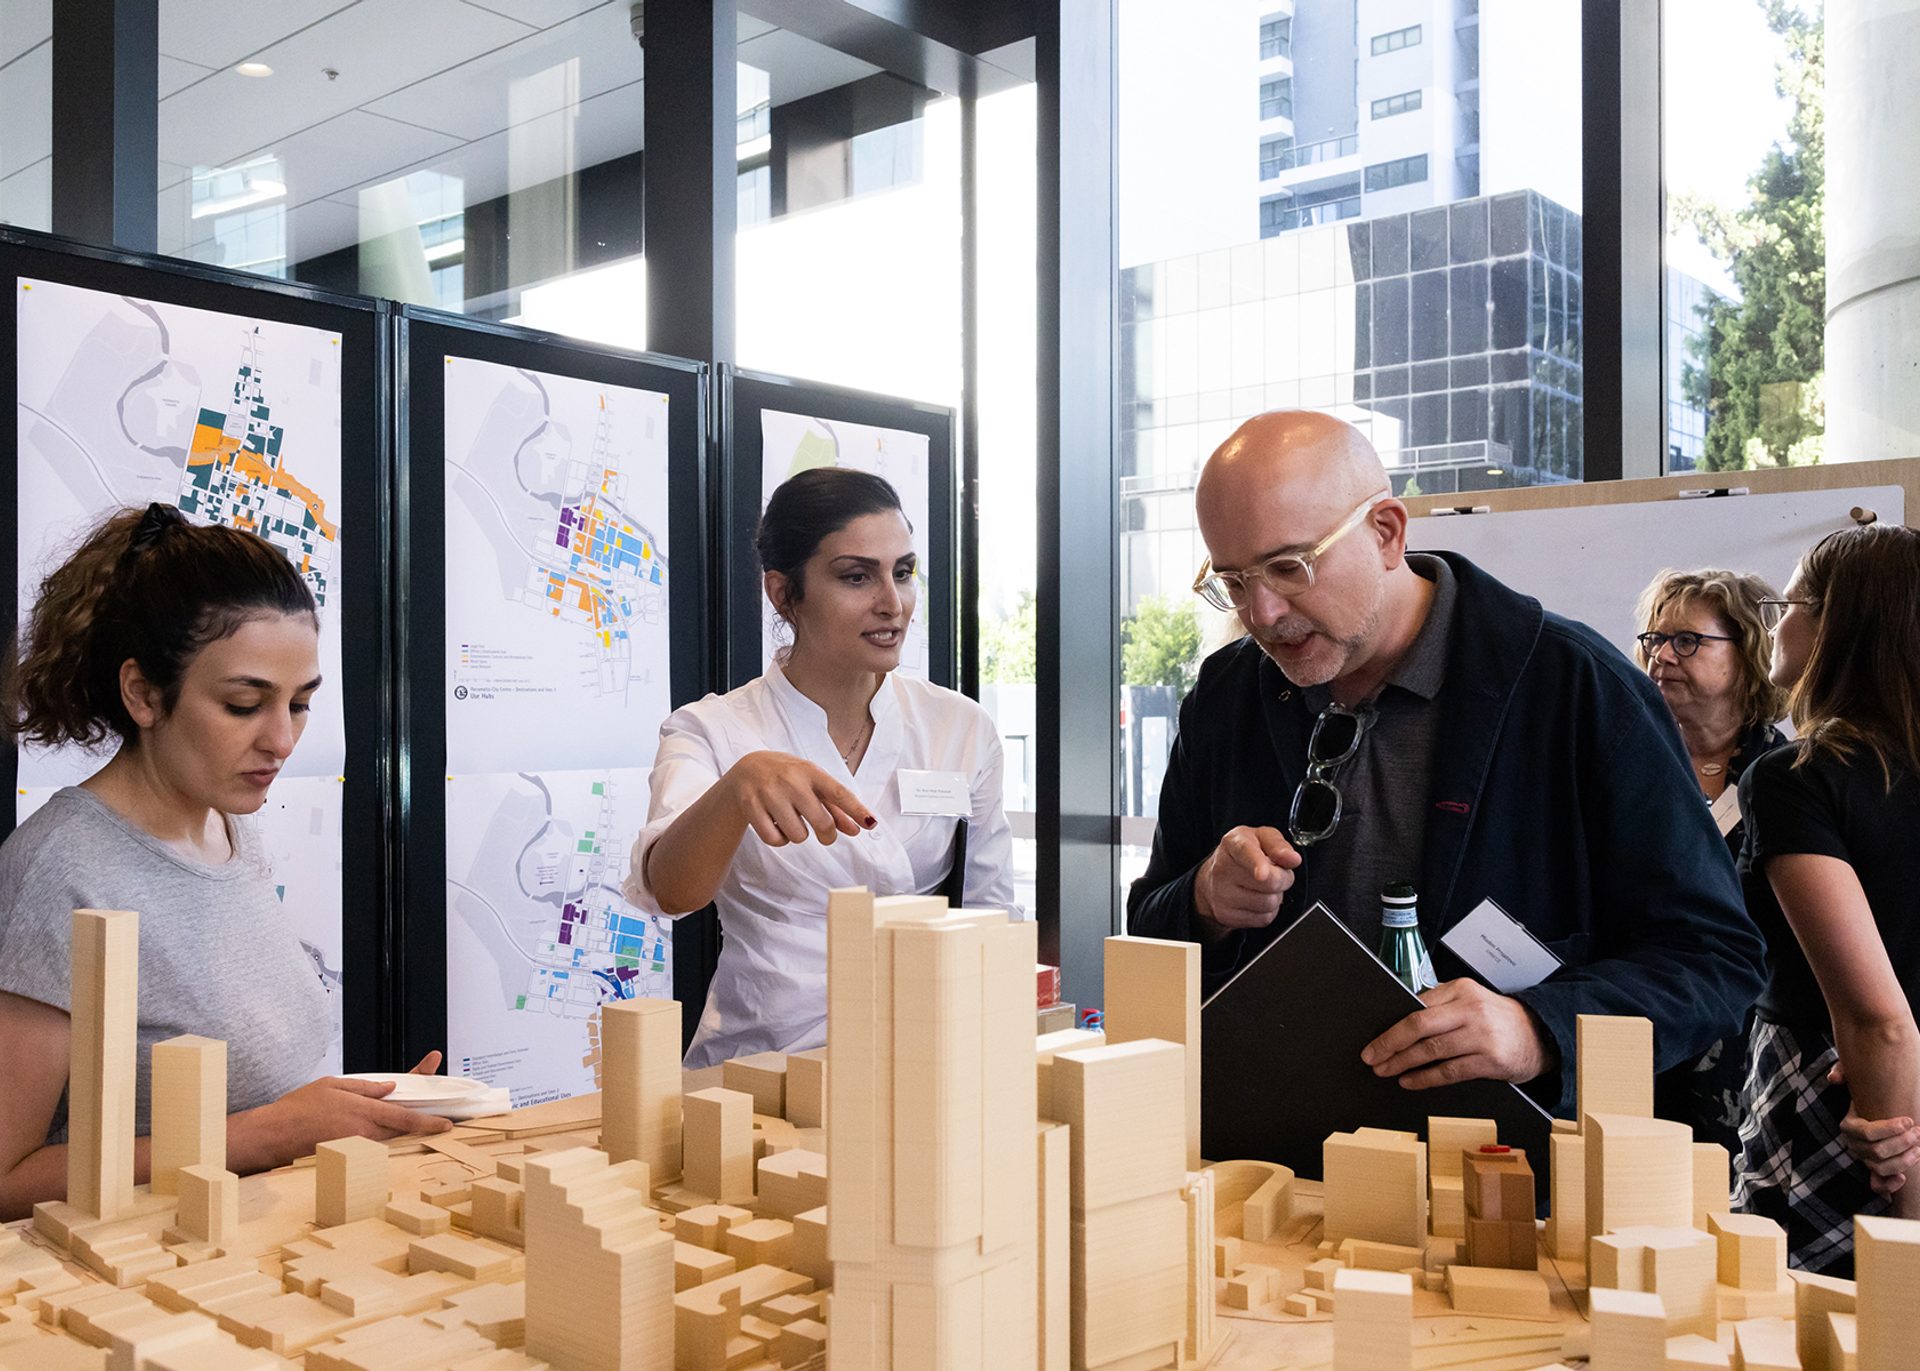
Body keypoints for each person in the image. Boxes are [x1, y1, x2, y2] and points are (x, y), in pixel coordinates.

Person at [1127, 411, 1767, 1117]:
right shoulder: (1227, 696)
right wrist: (1205, 903)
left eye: (1290, 567)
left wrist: (1540, 1029)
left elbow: (1716, 959)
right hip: (1270, 1157)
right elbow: (1152, 923)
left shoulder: (1573, 687)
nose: (1264, 612)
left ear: (1387, 532)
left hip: (1503, 1181)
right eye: (1235, 582)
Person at [0, 504, 448, 1221]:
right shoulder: (61, 871)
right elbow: (6, 1177)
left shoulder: (231, 827)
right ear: (143, 693)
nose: (282, 739)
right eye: (245, 704)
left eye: (300, 704)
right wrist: (266, 1134)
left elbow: (268, 1088)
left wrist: (364, 1106)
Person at [624, 468, 1016, 1068]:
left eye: (903, 572)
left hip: (919, 1064)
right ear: (783, 593)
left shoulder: (960, 728)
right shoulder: (713, 730)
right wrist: (736, 790)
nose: (893, 603)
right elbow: (670, 890)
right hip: (758, 1071)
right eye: (856, 577)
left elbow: (992, 918)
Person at [1734, 523, 1920, 1274]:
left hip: (1844, 1108)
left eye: (1791, 602)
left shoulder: (1796, 778)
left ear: (1841, 623)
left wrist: (1908, 1197)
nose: (1776, 620)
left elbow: (1875, 1017)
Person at [1632, 569, 1788, 1154]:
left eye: (1688, 641)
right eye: (1654, 639)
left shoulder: (1787, 778)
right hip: (1639, 1031)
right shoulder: (1628, 765)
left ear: (1749, 654)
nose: (1662, 655)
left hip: (1749, 1050)